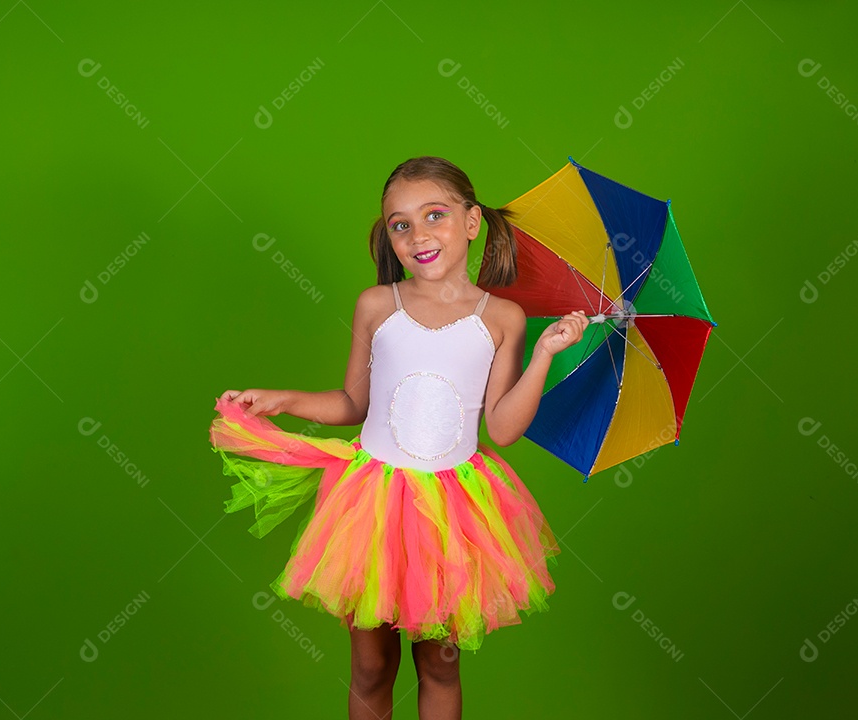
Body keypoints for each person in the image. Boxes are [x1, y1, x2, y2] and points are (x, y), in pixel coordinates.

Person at [210, 156, 589, 719]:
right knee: (370, 666)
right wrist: (282, 400)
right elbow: (353, 404)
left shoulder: (502, 318)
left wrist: (543, 355)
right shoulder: (377, 305)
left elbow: (504, 429)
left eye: (434, 215)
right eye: (400, 224)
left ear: (471, 221)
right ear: (389, 236)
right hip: (373, 505)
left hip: (452, 511)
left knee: (440, 664)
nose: (418, 235)